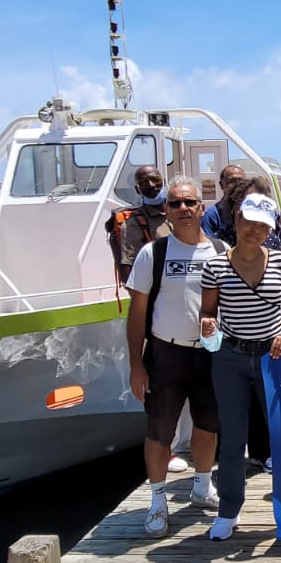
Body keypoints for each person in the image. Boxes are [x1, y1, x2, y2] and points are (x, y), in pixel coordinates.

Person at [125, 176, 225, 537]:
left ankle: (202, 486)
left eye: (189, 203)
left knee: (208, 425)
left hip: (209, 355)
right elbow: (137, 313)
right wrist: (136, 364)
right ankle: (156, 500)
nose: (183, 209)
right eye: (174, 203)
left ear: (202, 208)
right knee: (159, 431)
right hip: (165, 353)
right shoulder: (154, 253)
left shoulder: (219, 250)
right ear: (166, 210)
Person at [199, 192, 281, 540]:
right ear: (237, 221)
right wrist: (207, 324)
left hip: (274, 358)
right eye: (249, 223)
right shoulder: (215, 265)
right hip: (229, 356)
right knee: (232, 438)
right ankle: (229, 510)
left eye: (263, 226)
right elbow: (208, 310)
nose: (254, 231)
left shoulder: (280, 262)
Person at [108, 165, 172, 283]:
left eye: (155, 180)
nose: (151, 185)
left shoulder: (179, 212)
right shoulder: (133, 224)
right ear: (138, 189)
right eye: (144, 183)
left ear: (163, 182)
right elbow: (128, 270)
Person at [200, 164, 248, 245]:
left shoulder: (254, 211)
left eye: (241, 181)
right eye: (232, 181)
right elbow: (208, 245)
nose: (237, 184)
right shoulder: (211, 215)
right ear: (221, 184)